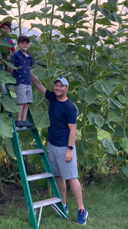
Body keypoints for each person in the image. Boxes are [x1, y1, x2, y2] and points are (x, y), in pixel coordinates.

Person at [30, 74, 88, 225]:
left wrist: (70, 149)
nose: (58, 88)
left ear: (66, 88)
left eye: (61, 85)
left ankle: (82, 210)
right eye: (56, 85)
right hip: (52, 145)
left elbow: (73, 129)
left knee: (71, 177)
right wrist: (27, 70)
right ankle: (64, 205)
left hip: (64, 147)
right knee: (57, 176)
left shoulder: (69, 107)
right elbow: (38, 84)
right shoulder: (52, 98)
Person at [10, 35, 34, 129]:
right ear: (18, 45)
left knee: (27, 102)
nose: (25, 45)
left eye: (26, 43)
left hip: (28, 82)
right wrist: (12, 78)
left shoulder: (29, 56)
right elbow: (11, 67)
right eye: (22, 43)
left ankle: (24, 120)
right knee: (21, 102)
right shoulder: (16, 55)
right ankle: (18, 120)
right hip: (20, 82)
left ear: (29, 45)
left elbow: (29, 67)